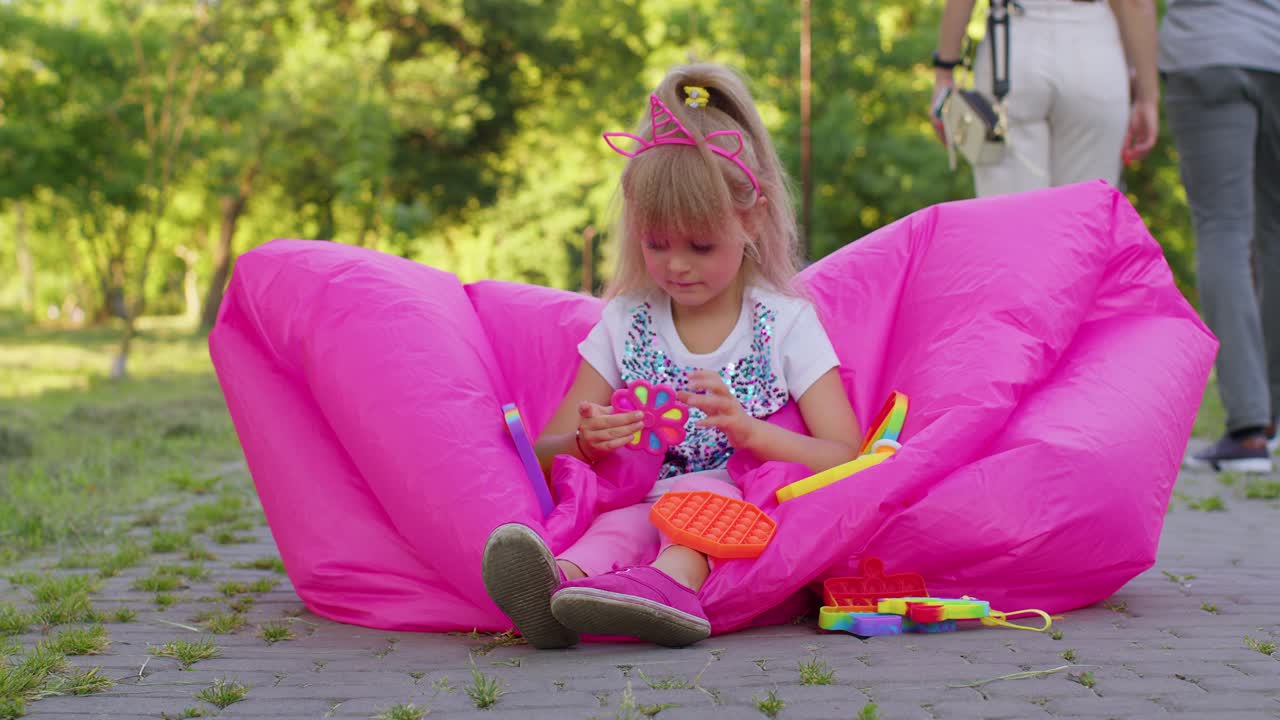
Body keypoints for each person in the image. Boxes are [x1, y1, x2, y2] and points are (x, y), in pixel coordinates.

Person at [479, 64, 861, 649]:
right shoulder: (625, 322)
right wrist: (589, 441)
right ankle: (558, 592)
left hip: (732, 512)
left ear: (752, 218)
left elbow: (845, 453)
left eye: (700, 245)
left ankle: (666, 592)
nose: (677, 265)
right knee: (613, 529)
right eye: (656, 243)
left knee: (696, 521)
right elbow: (545, 451)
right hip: (638, 499)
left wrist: (749, 430)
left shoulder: (784, 324)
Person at [1166, 0, 1280, 473]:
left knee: (1222, 230)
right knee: (1276, 234)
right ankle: (1272, 417)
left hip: (1204, 49)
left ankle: (1249, 430)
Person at [929, 0, 1160, 197]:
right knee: (1084, 219)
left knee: (1010, 223)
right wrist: (1148, 96)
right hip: (1094, 46)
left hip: (1011, 52)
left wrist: (944, 73)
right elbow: (1135, 3)